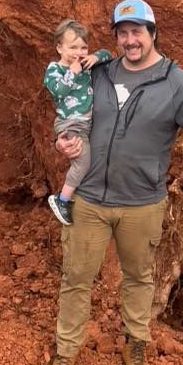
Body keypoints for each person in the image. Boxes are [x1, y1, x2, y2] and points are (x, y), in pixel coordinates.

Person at [45, 0, 183, 365]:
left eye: (137, 32)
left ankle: (135, 346)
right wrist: (63, 139)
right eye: (122, 33)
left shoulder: (177, 82)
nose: (130, 40)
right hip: (89, 199)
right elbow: (72, 108)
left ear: (152, 33)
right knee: (76, 278)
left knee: (139, 278)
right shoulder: (99, 72)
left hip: (142, 203)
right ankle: (66, 352)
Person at [42, 19, 112, 226]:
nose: (79, 52)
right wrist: (73, 71)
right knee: (82, 161)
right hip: (70, 124)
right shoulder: (55, 69)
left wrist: (95, 56)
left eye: (83, 47)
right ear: (59, 48)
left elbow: (109, 54)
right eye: (73, 47)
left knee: (90, 159)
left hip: (86, 123)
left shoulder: (85, 64)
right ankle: (62, 199)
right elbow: (58, 91)